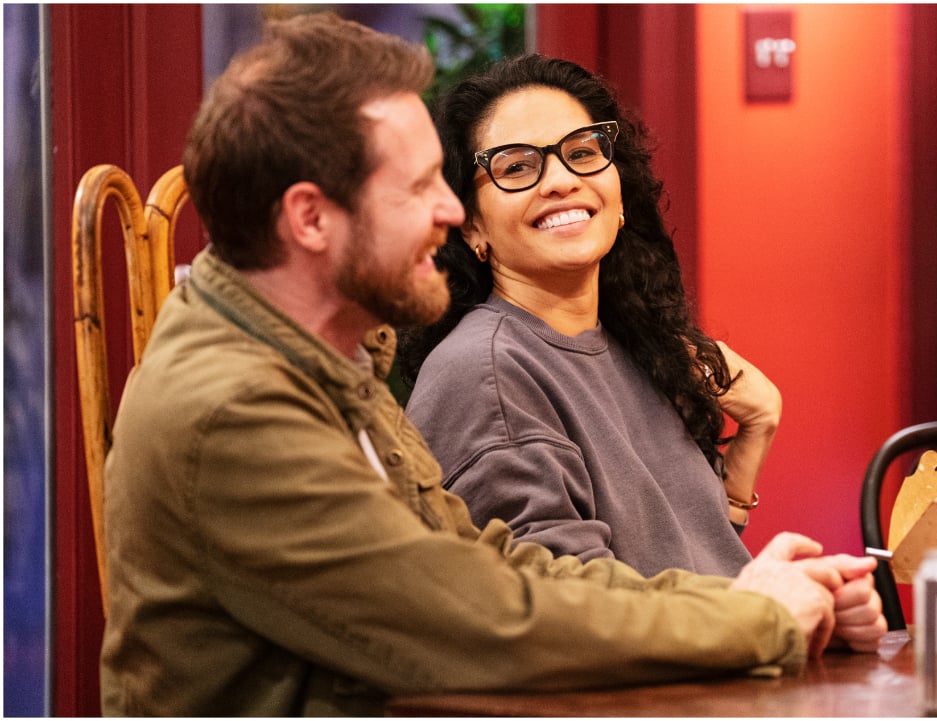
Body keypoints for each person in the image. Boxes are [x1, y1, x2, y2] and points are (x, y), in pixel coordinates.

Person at [99, 13, 886, 716]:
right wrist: (757, 617)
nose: (448, 211)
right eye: (417, 188)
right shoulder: (235, 406)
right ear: (310, 217)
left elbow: (493, 565)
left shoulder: (330, 360)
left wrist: (759, 601)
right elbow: (476, 622)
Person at [397, 55, 776, 579]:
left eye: (581, 152)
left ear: (619, 194)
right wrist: (767, 604)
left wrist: (755, 431)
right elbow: (573, 610)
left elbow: (687, 558)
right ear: (472, 229)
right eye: (516, 166)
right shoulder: (487, 374)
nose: (559, 180)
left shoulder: (634, 344)